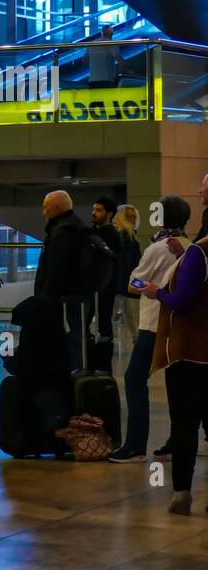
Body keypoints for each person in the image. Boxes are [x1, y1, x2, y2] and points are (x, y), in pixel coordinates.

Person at [110, 196, 189, 463]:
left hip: (154, 324)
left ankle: (135, 445)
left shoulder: (156, 249)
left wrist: (147, 288)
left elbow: (135, 283)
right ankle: (179, 439)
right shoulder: (189, 245)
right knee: (178, 384)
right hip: (181, 325)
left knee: (134, 379)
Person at [142, 222, 208, 516]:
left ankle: (182, 494)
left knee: (184, 427)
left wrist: (157, 292)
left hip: (189, 356)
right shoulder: (194, 253)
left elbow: (182, 302)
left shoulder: (200, 252)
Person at [35, 190, 90, 373]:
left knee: (68, 342)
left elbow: (57, 268)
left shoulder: (63, 231)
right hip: (75, 296)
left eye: (46, 207)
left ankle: (70, 380)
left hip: (64, 300)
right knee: (75, 339)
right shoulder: (74, 226)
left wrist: (46, 297)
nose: (43, 212)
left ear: (56, 208)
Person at [90, 196, 122, 340]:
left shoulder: (114, 237)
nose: (94, 213)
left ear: (109, 214)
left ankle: (104, 351)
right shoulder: (91, 232)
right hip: (90, 285)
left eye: (98, 210)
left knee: (104, 321)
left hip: (106, 286)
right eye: (94, 209)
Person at [113, 204, 143, 349]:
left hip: (125, 284)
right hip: (129, 284)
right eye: (129, 216)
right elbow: (130, 264)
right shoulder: (128, 236)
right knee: (134, 320)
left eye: (134, 216)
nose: (133, 219)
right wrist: (136, 285)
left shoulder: (125, 235)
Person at [88, 24, 124, 88]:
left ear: (101, 33)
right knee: (107, 97)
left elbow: (84, 60)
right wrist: (129, 71)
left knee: (95, 97)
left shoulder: (92, 43)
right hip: (107, 79)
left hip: (92, 79)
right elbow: (119, 60)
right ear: (112, 33)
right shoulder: (112, 43)